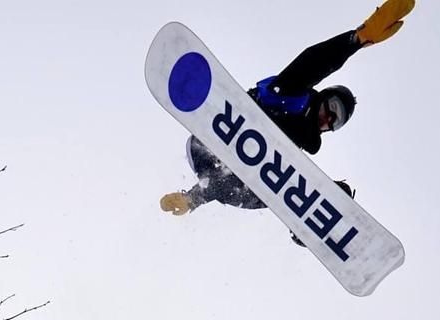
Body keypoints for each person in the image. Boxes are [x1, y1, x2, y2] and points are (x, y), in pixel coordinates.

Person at [160, 0, 415, 217]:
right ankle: (195, 197)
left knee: (277, 179)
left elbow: (284, 182)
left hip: (241, 186)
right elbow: (313, 63)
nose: (329, 119)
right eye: (332, 108)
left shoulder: (293, 153)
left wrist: (327, 203)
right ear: (323, 98)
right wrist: (356, 40)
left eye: (336, 122)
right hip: (211, 143)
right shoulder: (294, 94)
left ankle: (317, 218)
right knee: (263, 153)